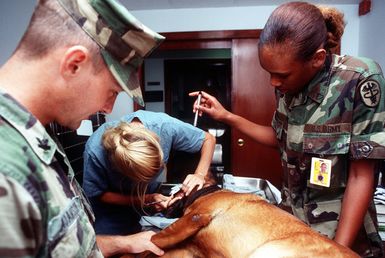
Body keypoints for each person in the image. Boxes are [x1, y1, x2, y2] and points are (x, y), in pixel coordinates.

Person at [190, 2, 385, 257]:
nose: (274, 82)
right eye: (269, 73)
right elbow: (279, 138)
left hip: (341, 235)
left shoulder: (359, 79)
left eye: (281, 75)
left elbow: (362, 176)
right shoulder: (287, 88)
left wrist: (336, 251)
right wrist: (226, 116)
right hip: (293, 229)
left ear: (317, 58)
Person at [0, 0, 166, 257]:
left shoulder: (38, 133)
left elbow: (61, 243)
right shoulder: (6, 164)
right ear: (74, 64)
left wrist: (125, 243)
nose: (109, 108)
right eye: (112, 91)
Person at [82, 110, 216, 235]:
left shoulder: (164, 127)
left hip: (148, 194)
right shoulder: (95, 152)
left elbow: (208, 139)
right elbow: (98, 194)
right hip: (111, 205)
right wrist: (143, 199)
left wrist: (200, 175)